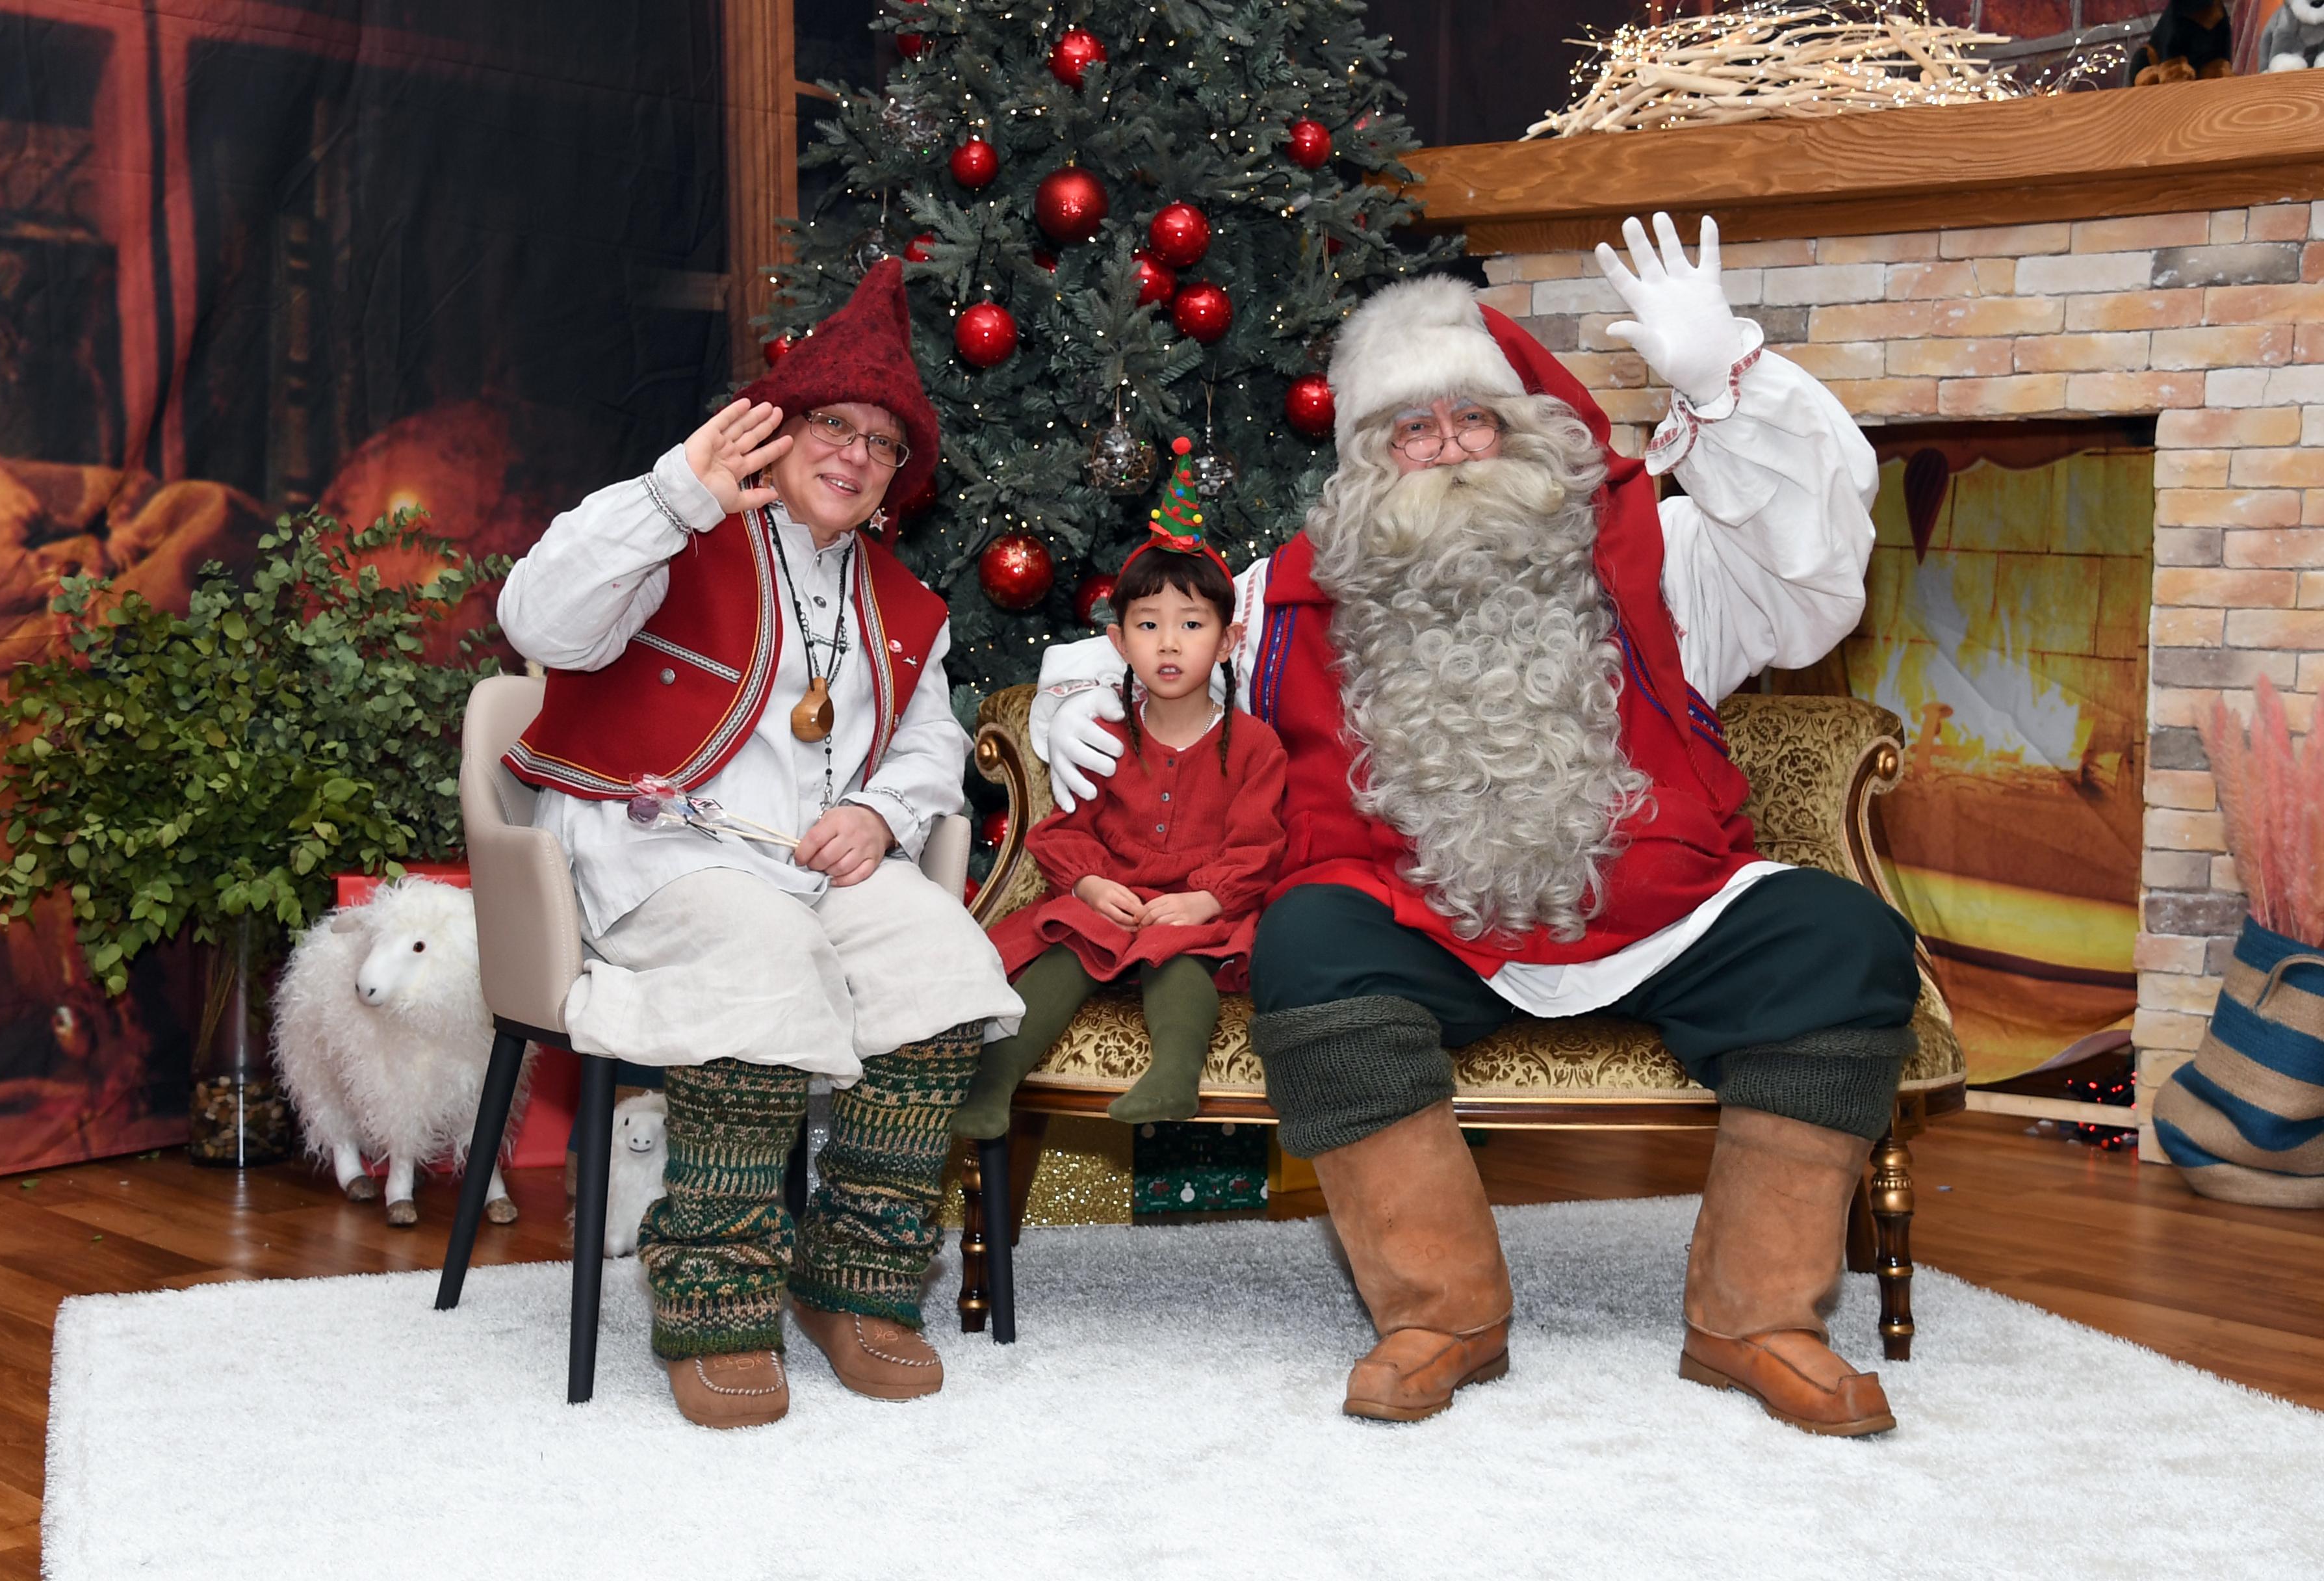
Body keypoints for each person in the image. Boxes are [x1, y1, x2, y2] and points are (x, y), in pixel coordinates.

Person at [1029, 215, 1920, 1435]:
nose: (1446, 449)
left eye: (1473, 419)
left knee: (1840, 938)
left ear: (1525, 432)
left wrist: (1725, 383)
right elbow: (1144, 635)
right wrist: (1076, 690)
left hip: (1657, 912)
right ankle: (1438, 1312)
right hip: (1423, 924)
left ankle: (1753, 1318)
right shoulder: (1290, 590)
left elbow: (1814, 581)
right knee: (1308, 937)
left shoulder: (1651, 547)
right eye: (1412, 428)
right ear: (1365, 461)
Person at [495, 259, 1023, 1428]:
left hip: (813, 867)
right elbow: (533, 621)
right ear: (775, 431)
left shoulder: (907, 603)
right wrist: (678, 492)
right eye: (833, 423)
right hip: (662, 862)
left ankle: (854, 1280)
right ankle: (714, 1298)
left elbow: (932, 748)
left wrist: (881, 814)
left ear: (897, 479)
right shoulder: (673, 528)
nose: (853, 454)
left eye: (882, 445)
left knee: (939, 964)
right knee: (760, 956)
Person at [959, 452, 1287, 1136]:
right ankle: (995, 1084)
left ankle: (1174, 1076)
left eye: (1192, 625)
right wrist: (1089, 886)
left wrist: (1204, 898)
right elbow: (1067, 831)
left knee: (1182, 955)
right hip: (1113, 899)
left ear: (1228, 641)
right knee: (1068, 942)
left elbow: (1258, 845)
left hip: (1197, 913)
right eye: (1148, 624)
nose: (1170, 642)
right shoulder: (1106, 735)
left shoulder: (1253, 745)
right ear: (1118, 640)